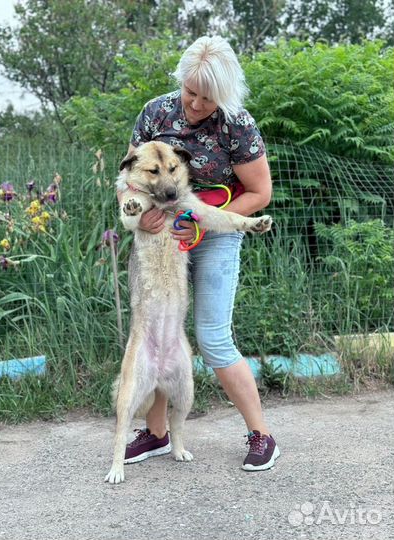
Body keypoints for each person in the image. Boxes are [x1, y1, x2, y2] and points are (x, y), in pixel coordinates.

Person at [121, 36, 279, 471]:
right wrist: (141, 218)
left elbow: (260, 193)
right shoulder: (156, 112)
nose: (194, 104)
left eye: (207, 98)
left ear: (223, 95)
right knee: (158, 334)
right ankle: (155, 435)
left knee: (212, 338)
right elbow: (130, 180)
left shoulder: (238, 125)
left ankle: (262, 435)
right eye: (190, 91)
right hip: (160, 237)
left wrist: (203, 219)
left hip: (215, 231)